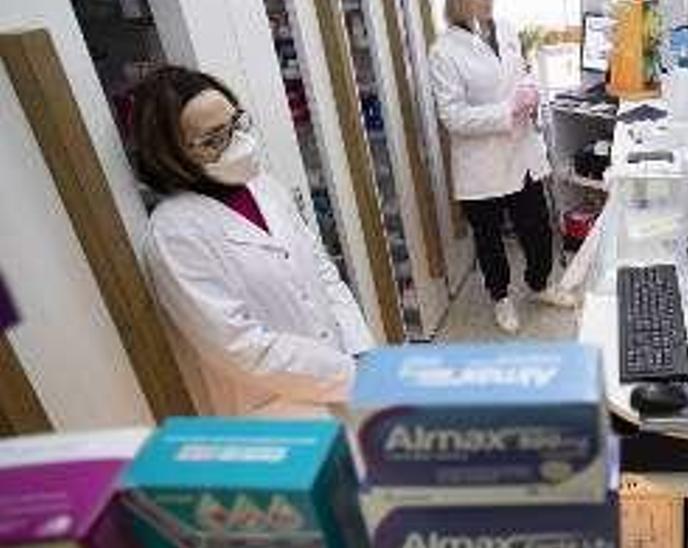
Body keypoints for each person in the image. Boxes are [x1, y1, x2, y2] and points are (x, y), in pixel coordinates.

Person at [132, 66, 374, 417]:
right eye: (214, 139)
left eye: (235, 124)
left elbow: (321, 269)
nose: (236, 143)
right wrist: (345, 374)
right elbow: (239, 346)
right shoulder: (174, 232)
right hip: (274, 409)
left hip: (342, 376)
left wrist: (358, 348)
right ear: (170, 153)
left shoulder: (263, 187)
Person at [428, 0, 576, 335]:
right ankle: (500, 297)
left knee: (537, 230)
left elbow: (523, 72)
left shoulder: (506, 29)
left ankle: (539, 285)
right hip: (481, 165)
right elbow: (453, 116)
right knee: (489, 238)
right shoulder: (444, 52)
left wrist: (530, 89)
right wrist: (506, 110)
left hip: (521, 154)